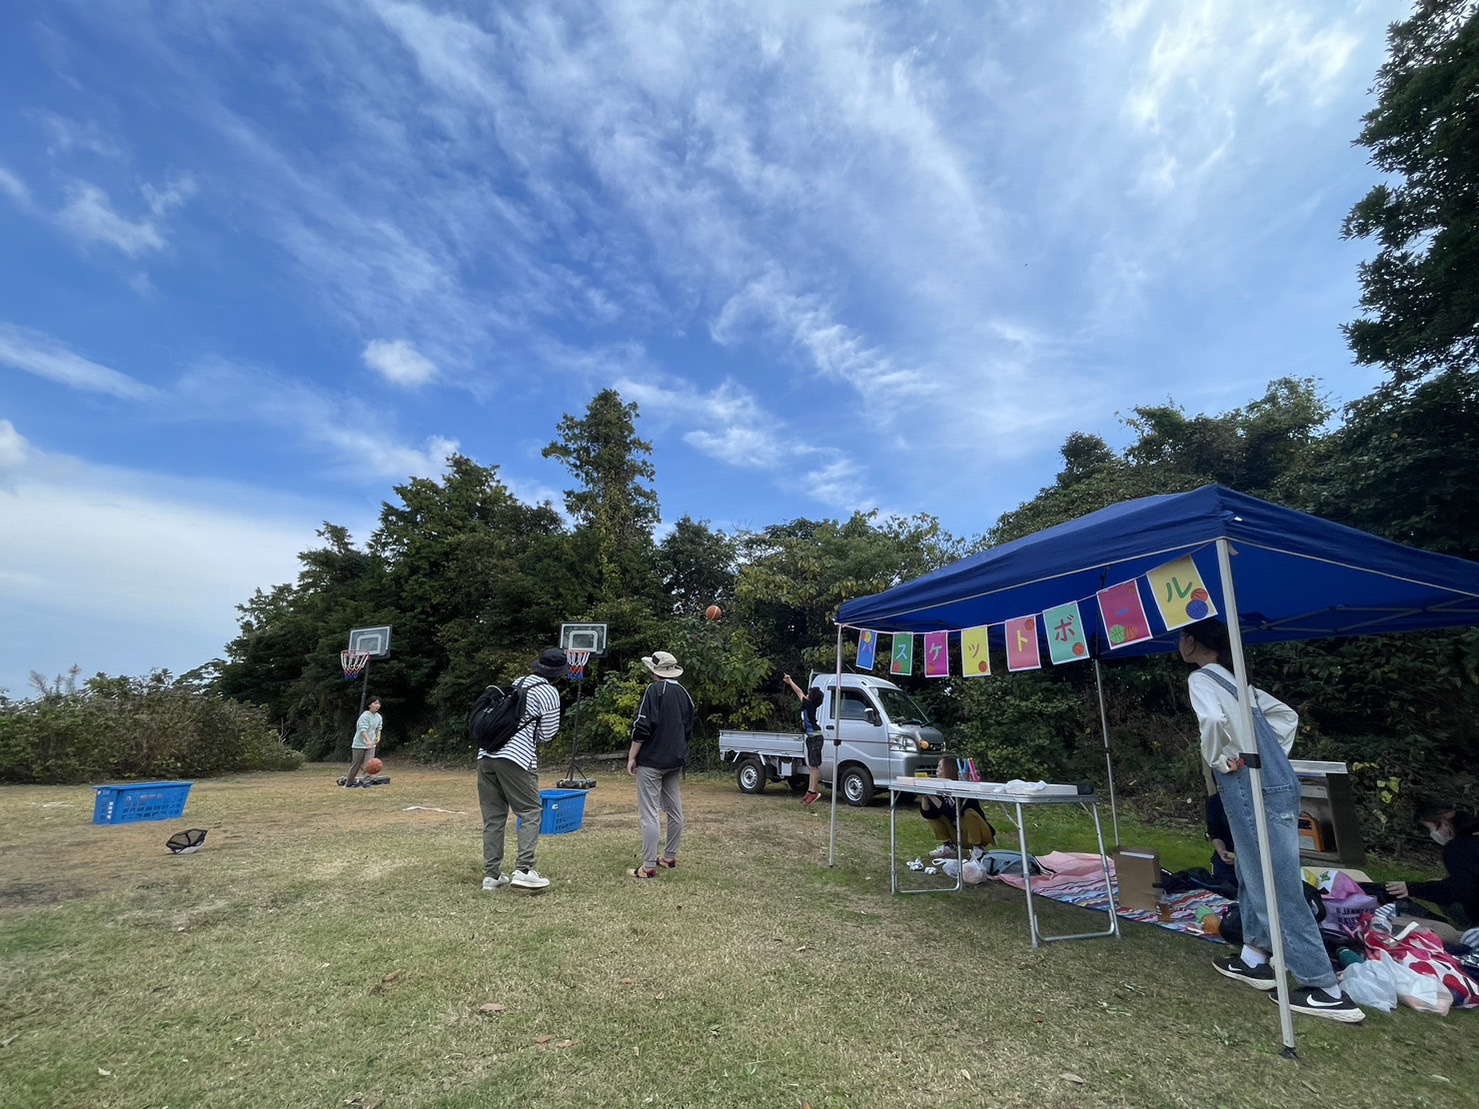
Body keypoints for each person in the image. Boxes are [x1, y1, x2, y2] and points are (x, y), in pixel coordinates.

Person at [1180, 618, 1364, 1023]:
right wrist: (1267, 755)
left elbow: (1212, 722)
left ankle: (1325, 987)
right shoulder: (1239, 683)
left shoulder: (1203, 679)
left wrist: (1222, 759)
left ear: (1190, 642)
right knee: (1253, 869)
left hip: (1248, 784)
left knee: (1274, 882)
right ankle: (1255, 956)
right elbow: (1287, 717)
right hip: (1276, 780)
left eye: (1182, 638)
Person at [478, 648, 567, 892]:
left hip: (486, 754)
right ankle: (524, 870)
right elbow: (547, 733)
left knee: (494, 816)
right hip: (516, 757)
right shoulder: (548, 692)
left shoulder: (519, 682)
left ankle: (492, 875)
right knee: (530, 810)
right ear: (559, 674)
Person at [627, 650, 694, 879]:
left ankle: (648, 866)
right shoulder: (684, 693)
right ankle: (669, 856)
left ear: (654, 672)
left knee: (649, 813)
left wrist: (632, 756)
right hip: (675, 760)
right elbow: (688, 728)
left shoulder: (654, 690)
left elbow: (642, 726)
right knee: (675, 811)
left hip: (652, 761)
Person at [1385, 801, 1479, 930]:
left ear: (1445, 824)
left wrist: (1411, 889)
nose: (1431, 834)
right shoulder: (1472, 841)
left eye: (1430, 828)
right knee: (1437, 883)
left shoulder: (1456, 848)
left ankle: (1467, 930)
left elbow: (1460, 889)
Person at [919, 755, 995, 859]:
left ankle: (978, 849)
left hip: (980, 834)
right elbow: (927, 814)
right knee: (934, 816)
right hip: (959, 834)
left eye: (940, 767)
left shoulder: (964, 789)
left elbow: (954, 813)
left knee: (968, 813)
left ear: (949, 770)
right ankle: (949, 846)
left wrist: (932, 797)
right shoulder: (939, 788)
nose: (937, 770)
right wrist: (925, 797)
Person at [782, 672, 826, 806]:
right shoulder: (811, 704)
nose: (806, 695)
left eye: (808, 694)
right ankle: (810, 791)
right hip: (813, 737)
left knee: (814, 766)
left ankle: (814, 792)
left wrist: (790, 681)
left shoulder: (808, 704)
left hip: (815, 738)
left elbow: (799, 691)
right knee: (812, 766)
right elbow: (801, 693)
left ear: (810, 697)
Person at [344, 697, 382, 787]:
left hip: (371, 745)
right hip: (359, 744)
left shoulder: (379, 717)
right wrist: (368, 740)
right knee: (356, 765)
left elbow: (379, 728)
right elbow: (362, 729)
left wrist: (378, 736)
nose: (377, 705)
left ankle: (366, 782)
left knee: (369, 764)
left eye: (378, 704)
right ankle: (349, 782)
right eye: (375, 703)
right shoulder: (364, 716)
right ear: (369, 705)